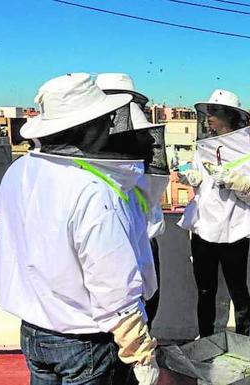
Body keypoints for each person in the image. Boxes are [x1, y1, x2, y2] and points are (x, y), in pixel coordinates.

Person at [0, 73, 159, 385]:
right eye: (103, 120)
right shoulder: (94, 188)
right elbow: (113, 282)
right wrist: (141, 354)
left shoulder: (18, 170)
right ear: (90, 127)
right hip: (85, 341)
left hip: (33, 332)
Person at [177, 89, 250, 337]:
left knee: (238, 289)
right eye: (208, 111)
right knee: (205, 290)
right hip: (203, 228)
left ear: (229, 116)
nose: (209, 116)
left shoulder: (247, 153)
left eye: (215, 111)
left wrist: (238, 183)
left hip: (234, 230)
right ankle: (205, 338)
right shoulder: (203, 149)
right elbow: (200, 183)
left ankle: (243, 339)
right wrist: (192, 178)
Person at [96, 73, 170, 326]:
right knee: (122, 315)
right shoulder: (91, 153)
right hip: (112, 242)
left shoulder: (136, 140)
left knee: (148, 307)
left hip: (145, 237)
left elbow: (155, 183)